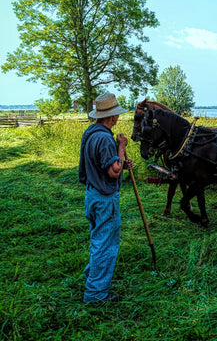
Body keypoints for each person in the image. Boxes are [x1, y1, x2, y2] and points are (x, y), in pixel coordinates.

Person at [78, 93, 133, 303]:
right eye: (117, 115)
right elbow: (113, 172)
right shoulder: (104, 138)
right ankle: (95, 294)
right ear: (112, 117)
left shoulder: (91, 132)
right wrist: (121, 148)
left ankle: (93, 278)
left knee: (98, 240)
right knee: (106, 245)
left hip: (92, 194)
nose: (118, 118)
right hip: (104, 199)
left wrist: (120, 162)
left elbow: (105, 164)